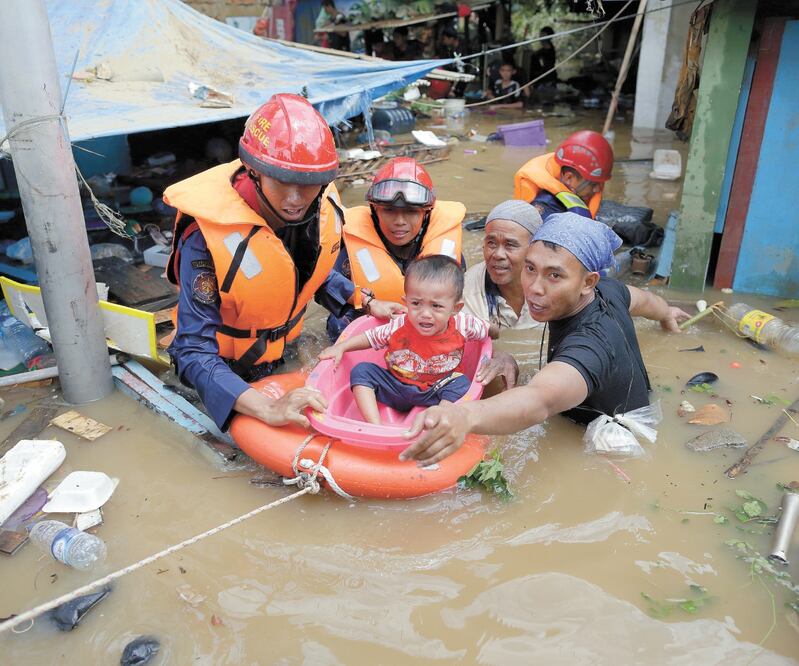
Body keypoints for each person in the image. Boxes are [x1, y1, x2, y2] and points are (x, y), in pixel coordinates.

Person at [163, 94, 397, 432]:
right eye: (282, 183)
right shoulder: (205, 235)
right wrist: (267, 408)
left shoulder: (315, 202)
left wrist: (365, 301)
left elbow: (310, 271)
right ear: (254, 172)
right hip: (220, 372)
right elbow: (192, 351)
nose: (294, 200)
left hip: (277, 354)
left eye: (305, 185)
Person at [399, 213, 691, 465]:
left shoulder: (591, 345)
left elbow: (540, 399)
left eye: (554, 276)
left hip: (611, 442)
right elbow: (645, 301)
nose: (534, 288)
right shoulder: (609, 291)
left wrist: (466, 416)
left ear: (588, 282)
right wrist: (667, 314)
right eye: (530, 268)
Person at [319, 256, 489, 424]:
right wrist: (341, 347)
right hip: (396, 386)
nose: (425, 313)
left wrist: (494, 334)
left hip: (437, 390)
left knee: (461, 383)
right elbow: (370, 337)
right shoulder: (398, 324)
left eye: (436, 306)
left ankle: (440, 418)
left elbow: (488, 332)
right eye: (416, 303)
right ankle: (375, 425)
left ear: (455, 308)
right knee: (361, 371)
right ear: (405, 302)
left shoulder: (464, 324)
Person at [325, 157, 464, 341]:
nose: (399, 221)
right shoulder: (349, 248)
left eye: (411, 211)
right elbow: (322, 279)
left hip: (429, 326)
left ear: (426, 213)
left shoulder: (446, 248)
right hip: (375, 321)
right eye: (389, 210)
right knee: (338, 323)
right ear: (374, 210)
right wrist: (368, 302)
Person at [463, 200, 543, 335]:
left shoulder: (554, 289)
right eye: (491, 243)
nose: (498, 255)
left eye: (510, 245)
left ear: (534, 249)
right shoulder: (466, 292)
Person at [514, 130, 613, 221]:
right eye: (593, 184)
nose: (597, 189)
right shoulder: (545, 206)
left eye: (601, 183)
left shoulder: (567, 166)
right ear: (568, 177)